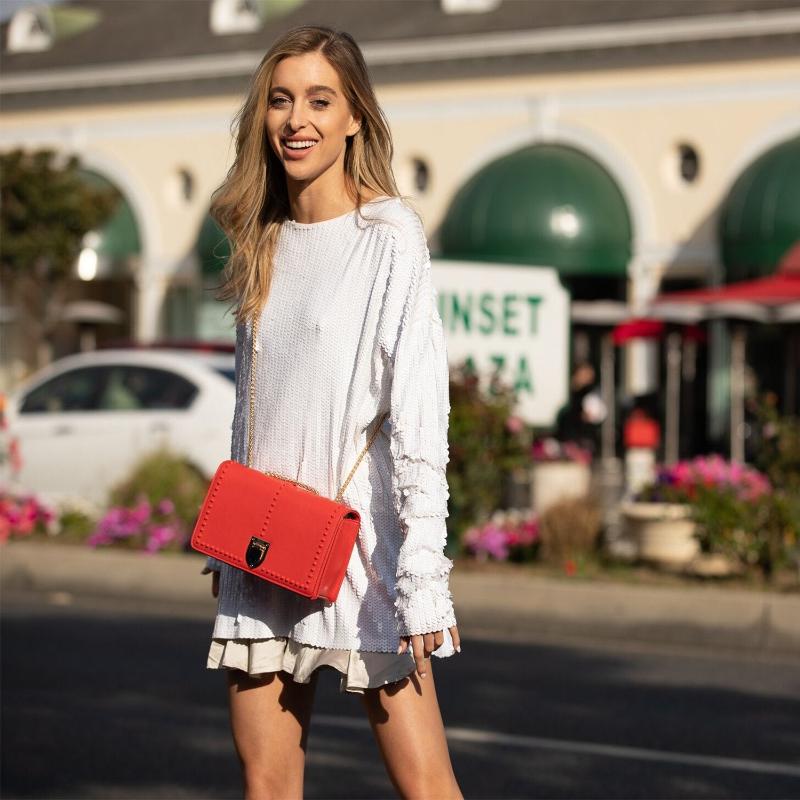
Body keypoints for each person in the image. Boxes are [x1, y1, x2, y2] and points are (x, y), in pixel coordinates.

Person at [200, 25, 463, 800]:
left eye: (320, 100)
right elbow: (253, 404)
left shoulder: (389, 236)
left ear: (355, 117)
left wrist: (423, 572)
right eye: (280, 100)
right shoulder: (263, 235)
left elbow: (420, 415)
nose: (296, 119)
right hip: (265, 543)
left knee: (426, 786)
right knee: (267, 781)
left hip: (361, 552)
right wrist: (228, 538)